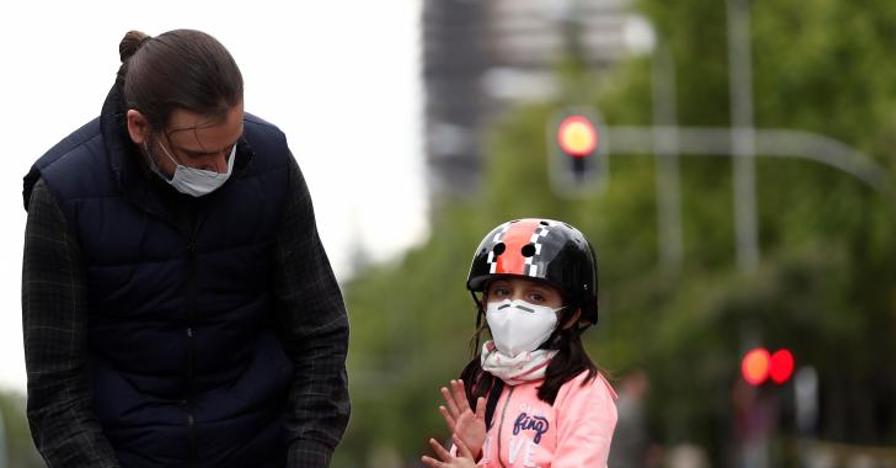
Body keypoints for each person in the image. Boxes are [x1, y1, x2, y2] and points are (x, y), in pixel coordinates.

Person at [21, 29, 350, 467]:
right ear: (140, 127)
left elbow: (321, 335)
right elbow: (56, 392)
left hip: (263, 449)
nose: (220, 168)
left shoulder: (270, 165)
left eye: (230, 149)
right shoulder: (62, 196)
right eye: (197, 157)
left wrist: (307, 457)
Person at [421, 218, 617, 467]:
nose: (513, 305)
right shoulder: (483, 382)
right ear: (485, 303)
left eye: (536, 296)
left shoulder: (583, 392)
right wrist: (473, 452)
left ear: (570, 316)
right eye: (502, 291)